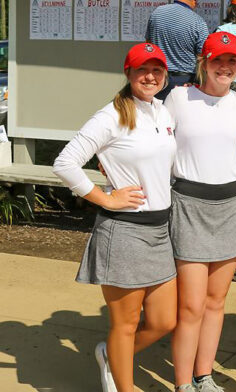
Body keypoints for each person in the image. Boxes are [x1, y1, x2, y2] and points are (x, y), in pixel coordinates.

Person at [53, 43, 177, 392]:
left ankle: (110, 355)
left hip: (159, 230)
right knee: (125, 324)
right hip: (124, 231)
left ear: (164, 75)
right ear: (128, 73)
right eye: (142, 69)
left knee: (165, 320)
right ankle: (124, 385)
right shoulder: (110, 116)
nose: (149, 76)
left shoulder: (162, 113)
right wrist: (104, 198)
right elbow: (64, 163)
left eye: (156, 69)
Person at [164, 32, 236, 392]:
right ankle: (184, 383)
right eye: (218, 60)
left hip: (231, 206)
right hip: (189, 205)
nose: (225, 67)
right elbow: (154, 140)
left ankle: (204, 376)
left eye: (232, 61)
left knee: (216, 301)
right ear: (204, 62)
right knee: (191, 305)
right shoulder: (179, 98)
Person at [146, 0, 209, 100]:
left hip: (157, 77)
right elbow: (204, 56)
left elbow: (148, 45)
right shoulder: (198, 21)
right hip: (185, 81)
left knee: (156, 112)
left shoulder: (157, 13)